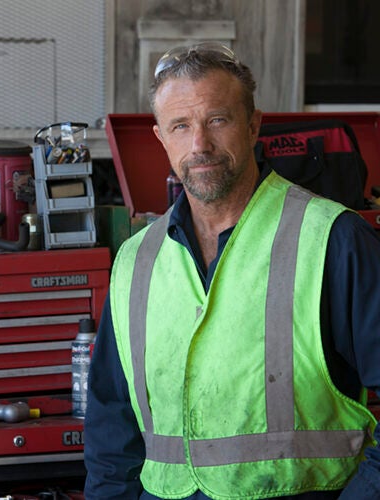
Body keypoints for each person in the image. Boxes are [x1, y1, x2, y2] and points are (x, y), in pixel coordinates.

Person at [84, 42, 380, 499]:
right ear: (160, 138)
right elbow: (111, 424)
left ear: (253, 124)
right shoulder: (136, 259)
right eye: (181, 126)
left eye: (216, 120)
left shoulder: (333, 240)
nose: (199, 145)